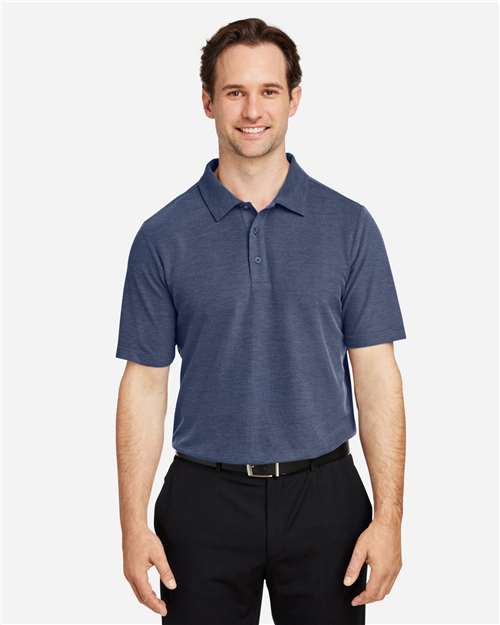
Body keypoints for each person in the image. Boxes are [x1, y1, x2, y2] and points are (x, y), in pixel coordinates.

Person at [115, 17, 407, 625]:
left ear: (294, 99)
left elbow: (377, 374)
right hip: (203, 501)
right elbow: (144, 382)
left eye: (269, 91)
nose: (253, 110)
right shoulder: (162, 237)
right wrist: (131, 525)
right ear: (208, 102)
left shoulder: (350, 226)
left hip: (325, 496)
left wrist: (389, 518)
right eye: (235, 92)